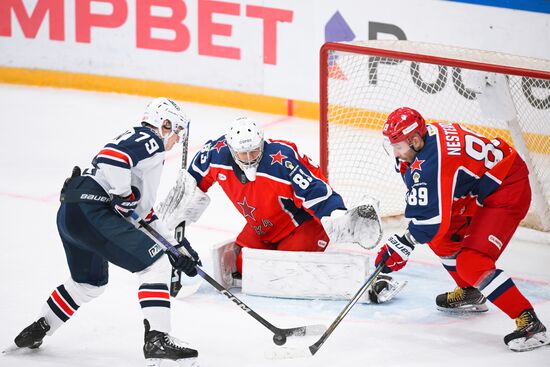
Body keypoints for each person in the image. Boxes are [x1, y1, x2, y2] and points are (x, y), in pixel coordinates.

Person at [10, 98, 201, 366]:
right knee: (155, 264)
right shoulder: (151, 139)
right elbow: (113, 157)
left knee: (88, 284)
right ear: (164, 123)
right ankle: (157, 338)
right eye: (177, 131)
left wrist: (177, 249)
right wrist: (123, 194)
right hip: (93, 212)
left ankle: (41, 325)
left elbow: (144, 216)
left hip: (72, 213)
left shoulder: (145, 155)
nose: (178, 139)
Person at [160, 116, 403, 303]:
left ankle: (369, 282)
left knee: (284, 274)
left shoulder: (282, 160)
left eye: (254, 151)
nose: (248, 158)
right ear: (231, 149)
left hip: (305, 224)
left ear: (262, 143)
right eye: (242, 153)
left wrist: (340, 219)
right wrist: (170, 236)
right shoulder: (214, 154)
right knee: (244, 267)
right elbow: (189, 187)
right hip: (266, 223)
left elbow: (316, 192)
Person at [374, 106, 549, 351]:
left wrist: (403, 244)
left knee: (471, 262)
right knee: (441, 238)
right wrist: (409, 237)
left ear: (415, 140)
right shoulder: (424, 144)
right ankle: (470, 292)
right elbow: (431, 216)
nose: (396, 152)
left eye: (399, 146)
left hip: (507, 188)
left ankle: (531, 324)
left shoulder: (434, 161)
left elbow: (430, 221)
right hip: (480, 186)